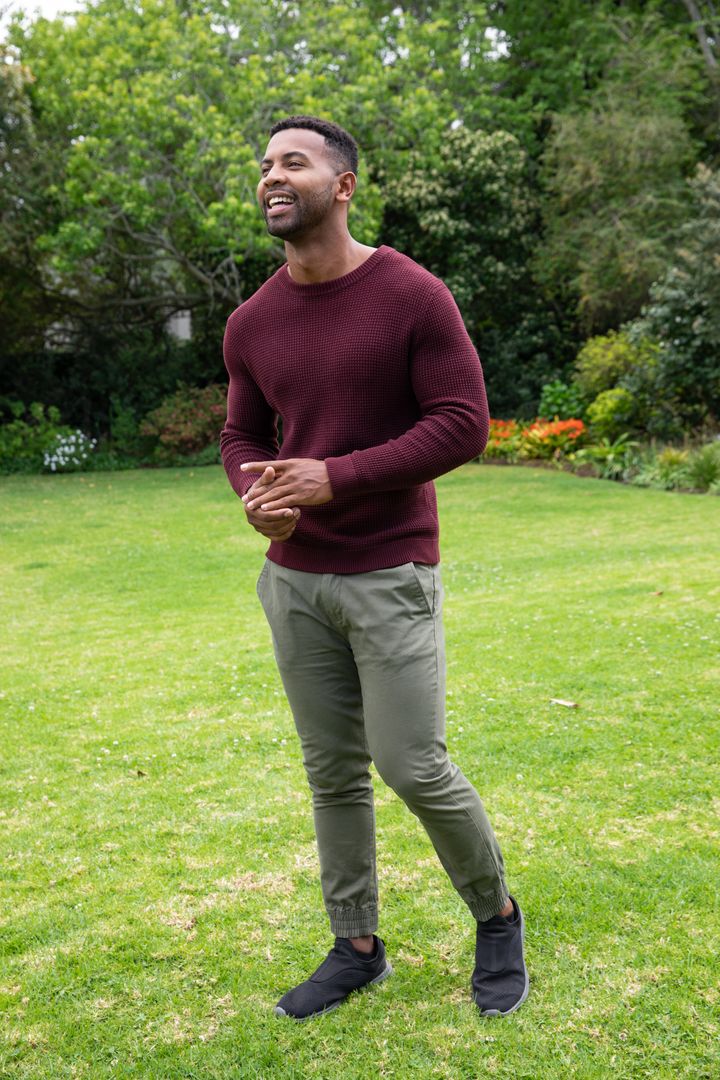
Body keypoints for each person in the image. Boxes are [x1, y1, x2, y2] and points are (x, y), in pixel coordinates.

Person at [220, 115, 529, 1022]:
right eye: (266, 165)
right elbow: (241, 434)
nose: (273, 176)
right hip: (294, 580)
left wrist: (335, 478)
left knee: (411, 764)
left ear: (344, 185)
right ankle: (355, 946)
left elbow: (462, 423)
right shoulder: (252, 321)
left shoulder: (411, 294)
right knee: (332, 774)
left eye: (295, 162)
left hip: (390, 570)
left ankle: (497, 917)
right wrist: (255, 493)